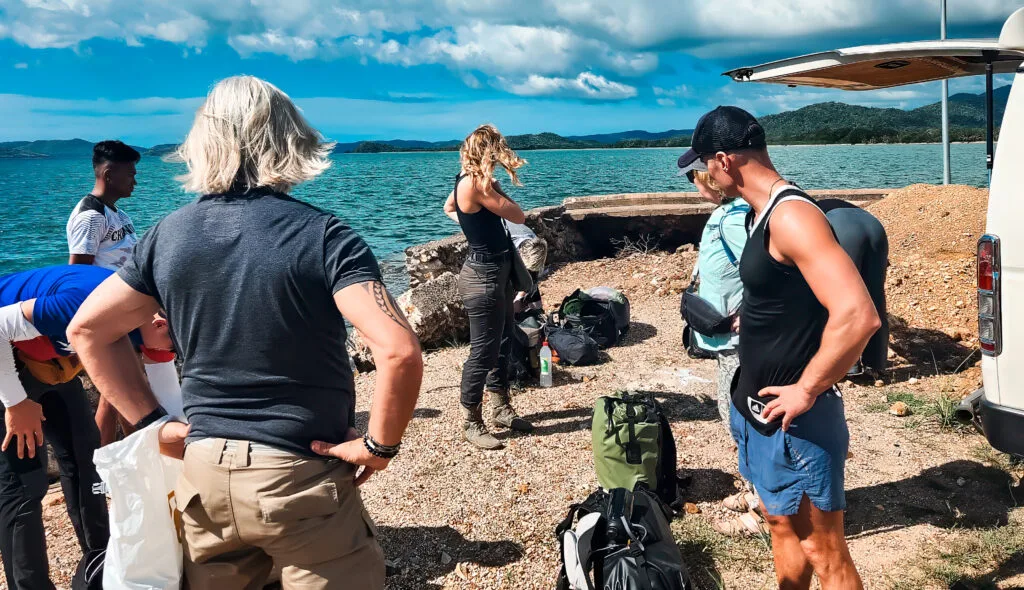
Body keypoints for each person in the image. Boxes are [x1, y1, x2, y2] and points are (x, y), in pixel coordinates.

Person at [67, 76, 424, 590]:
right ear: (291, 139)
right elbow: (398, 351)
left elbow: (88, 330)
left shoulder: (166, 235)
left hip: (205, 473)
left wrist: (150, 425)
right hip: (300, 472)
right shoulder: (324, 235)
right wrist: (379, 446)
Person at [678, 106, 879, 590]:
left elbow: (858, 315)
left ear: (724, 161)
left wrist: (807, 389)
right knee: (780, 525)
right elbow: (787, 297)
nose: (704, 174)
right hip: (758, 413)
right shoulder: (758, 213)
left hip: (797, 424)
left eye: (705, 162)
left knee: (825, 553)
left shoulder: (791, 217)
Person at [0, 264, 172, 590]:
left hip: (49, 359)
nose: (169, 356)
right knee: (25, 482)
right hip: (4, 358)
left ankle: (101, 563)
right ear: (161, 324)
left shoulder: (156, 319)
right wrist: (15, 403)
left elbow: (166, 406)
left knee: (84, 456)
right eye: (173, 349)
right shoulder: (82, 301)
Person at [677, 161, 764, 536]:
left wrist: (750, 309)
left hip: (738, 339)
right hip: (726, 338)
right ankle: (756, 489)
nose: (694, 187)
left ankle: (765, 506)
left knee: (741, 415)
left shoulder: (734, 218)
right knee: (733, 412)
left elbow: (767, 266)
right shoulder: (728, 214)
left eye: (694, 179)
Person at [443, 124, 534, 450]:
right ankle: (471, 420)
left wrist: (474, 228)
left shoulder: (464, 183)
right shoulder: (476, 185)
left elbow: (449, 208)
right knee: (483, 351)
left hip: (497, 271)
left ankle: (500, 407)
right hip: (482, 277)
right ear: (488, 153)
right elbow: (519, 216)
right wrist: (496, 189)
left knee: (505, 340)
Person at [66, 140, 142, 446]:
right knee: (121, 392)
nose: (135, 180)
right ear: (109, 174)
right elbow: (77, 274)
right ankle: (113, 464)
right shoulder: (91, 216)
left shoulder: (116, 214)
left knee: (115, 395)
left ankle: (107, 465)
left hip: (125, 312)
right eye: (130, 174)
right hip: (108, 315)